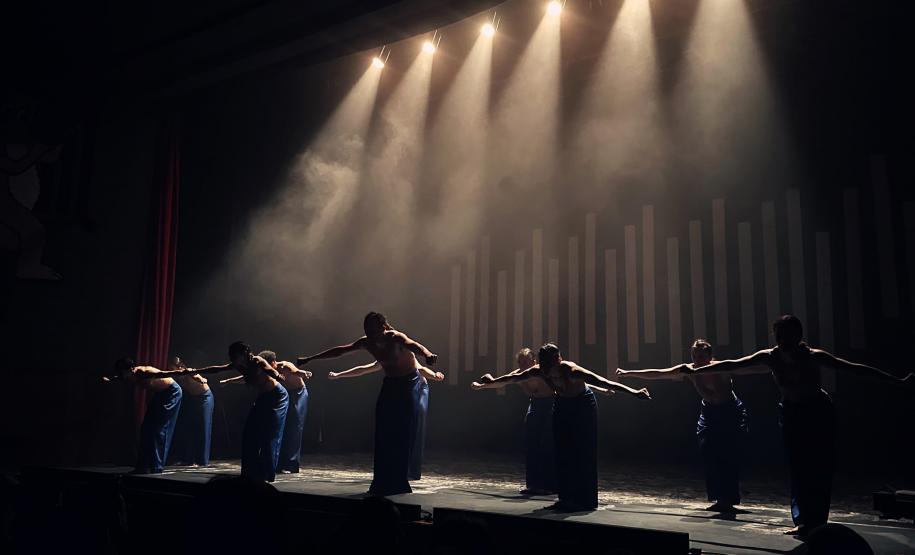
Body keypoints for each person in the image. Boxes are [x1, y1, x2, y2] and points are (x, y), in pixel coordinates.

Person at [682, 315, 913, 537]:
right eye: (779, 335)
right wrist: (695, 370)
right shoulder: (771, 357)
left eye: (787, 335)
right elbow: (732, 364)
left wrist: (897, 381)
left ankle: (817, 521)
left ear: (798, 335)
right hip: (792, 413)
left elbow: (853, 368)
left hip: (817, 412)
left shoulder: (813, 356)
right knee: (798, 466)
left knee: (818, 466)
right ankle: (803, 521)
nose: (783, 340)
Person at [474, 344, 651, 511]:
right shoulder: (540, 371)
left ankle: (585, 500)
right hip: (562, 404)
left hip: (582, 405)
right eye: (545, 368)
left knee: (582, 452)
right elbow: (514, 377)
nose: (550, 374)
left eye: (551, 367)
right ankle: (565, 498)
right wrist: (491, 381)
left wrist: (634, 392)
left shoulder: (571, 370)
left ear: (559, 360)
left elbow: (604, 382)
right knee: (562, 450)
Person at [297, 311, 441, 496]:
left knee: (402, 430)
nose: (369, 334)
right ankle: (382, 479)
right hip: (391, 384)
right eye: (366, 330)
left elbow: (414, 345)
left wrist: (428, 354)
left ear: (383, 327)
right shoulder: (366, 342)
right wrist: (311, 359)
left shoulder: (395, 337)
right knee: (383, 429)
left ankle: (399, 481)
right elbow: (340, 350)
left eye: (372, 329)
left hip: (410, 384)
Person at [616, 339, 749, 513]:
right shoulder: (690, 369)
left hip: (729, 412)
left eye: (701, 356)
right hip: (709, 413)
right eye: (694, 356)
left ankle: (728, 499)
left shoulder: (720, 368)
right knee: (709, 450)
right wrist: (628, 373)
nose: (697, 360)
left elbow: (744, 370)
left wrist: (696, 378)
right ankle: (719, 497)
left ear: (710, 356)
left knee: (727, 454)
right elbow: (659, 373)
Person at [173, 342, 289, 482]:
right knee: (249, 434)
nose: (232, 357)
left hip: (277, 397)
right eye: (231, 355)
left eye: (235, 354)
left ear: (245, 352)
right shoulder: (238, 365)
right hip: (263, 398)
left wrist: (278, 376)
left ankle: (267, 475)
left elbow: (269, 370)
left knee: (269, 435)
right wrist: (194, 371)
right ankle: (249, 474)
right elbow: (217, 369)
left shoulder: (257, 360)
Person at [328, 355, 444, 481]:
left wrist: (434, 375)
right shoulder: (385, 354)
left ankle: (411, 470)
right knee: (398, 427)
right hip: (401, 389)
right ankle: (399, 466)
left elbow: (420, 369)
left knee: (415, 424)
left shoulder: (403, 350)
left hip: (419, 388)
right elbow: (364, 369)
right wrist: (339, 374)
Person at [103, 358, 183, 474]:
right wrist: (110, 379)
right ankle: (143, 466)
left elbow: (167, 374)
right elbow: (119, 377)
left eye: (122, 372)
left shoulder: (144, 372)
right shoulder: (127, 374)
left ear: (131, 369)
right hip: (160, 394)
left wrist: (184, 372)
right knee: (146, 428)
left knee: (157, 429)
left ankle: (156, 467)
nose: (121, 375)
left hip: (172, 392)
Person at [260, 350, 312, 474]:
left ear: (273, 363)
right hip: (286, 394)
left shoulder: (284, 365)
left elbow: (295, 371)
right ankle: (279, 463)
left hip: (299, 394)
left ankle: (291, 464)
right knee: (282, 427)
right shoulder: (267, 370)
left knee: (295, 427)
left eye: (267, 365)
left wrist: (303, 372)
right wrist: (229, 381)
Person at [168, 356, 214, 467]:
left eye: (172, 367)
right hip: (193, 399)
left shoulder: (188, 371)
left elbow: (198, 376)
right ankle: (188, 459)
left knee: (203, 427)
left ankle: (202, 461)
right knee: (189, 428)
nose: (171, 370)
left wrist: (201, 379)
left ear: (179, 366)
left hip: (205, 397)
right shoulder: (176, 377)